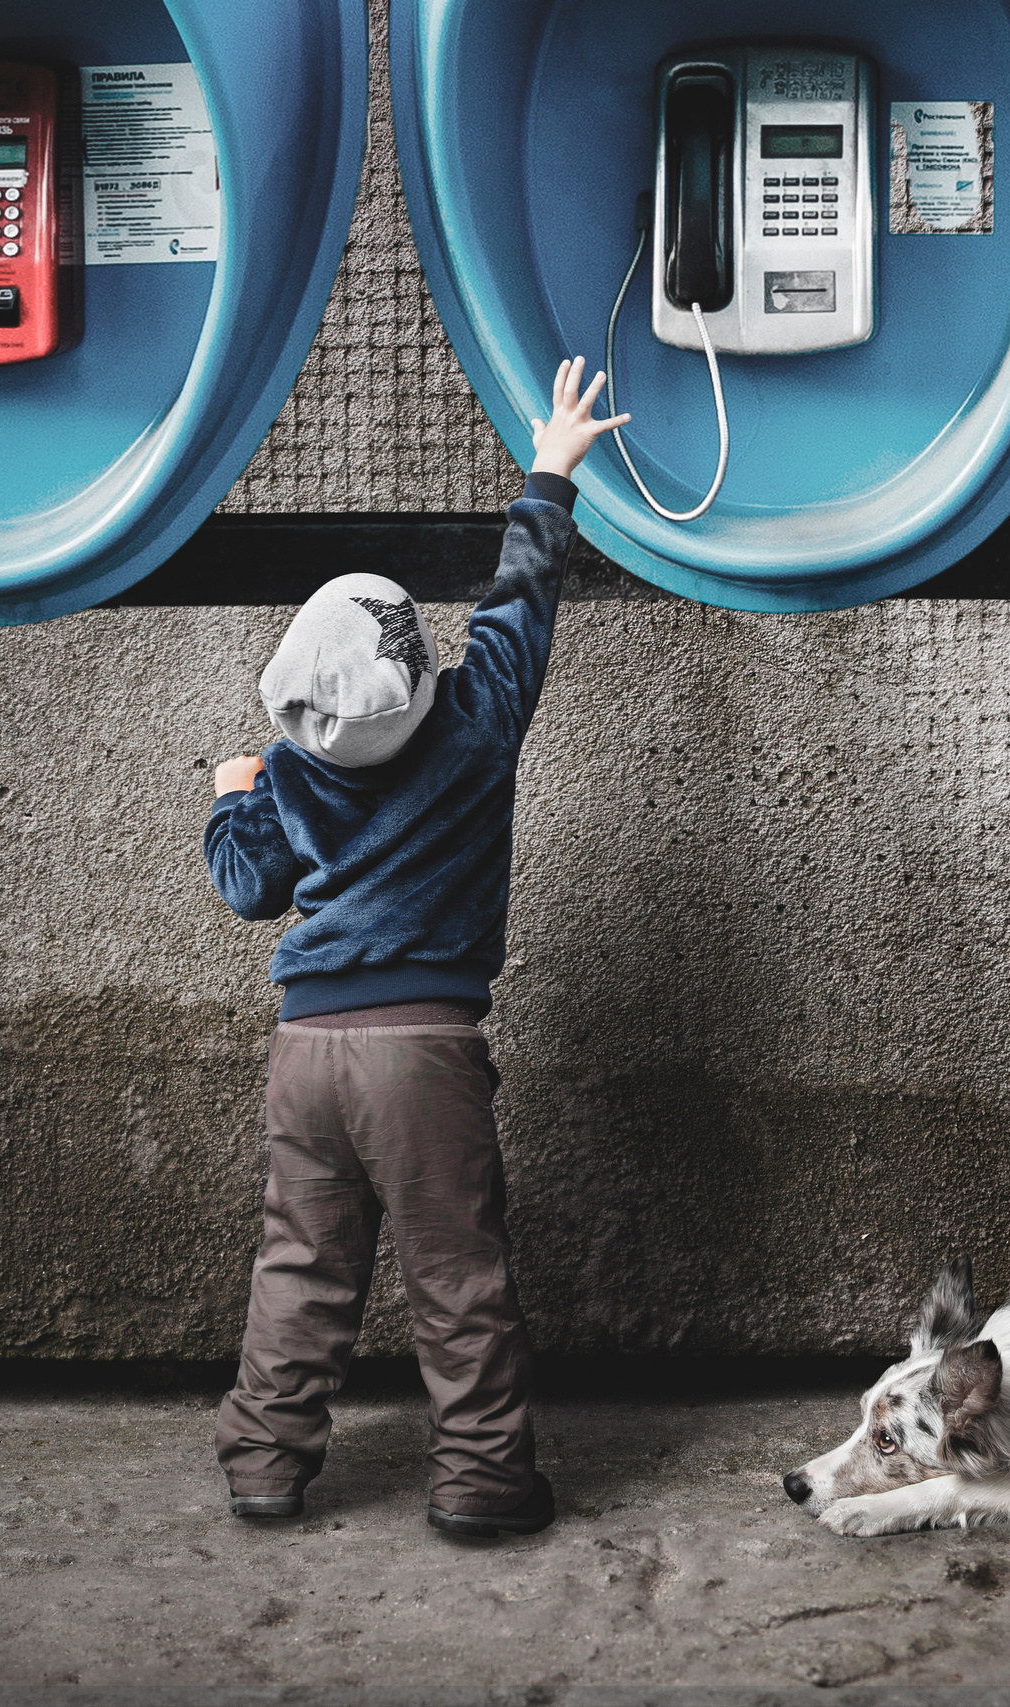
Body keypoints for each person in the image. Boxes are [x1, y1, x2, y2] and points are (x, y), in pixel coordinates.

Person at [203, 357, 627, 1537]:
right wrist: (551, 468)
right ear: (420, 673)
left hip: (308, 1052)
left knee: (301, 1266)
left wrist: (234, 794)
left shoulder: (289, 772)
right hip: (424, 1055)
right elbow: (520, 599)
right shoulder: (478, 725)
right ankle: (485, 1486)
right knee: (456, 1280)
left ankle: (265, 1467)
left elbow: (246, 887)